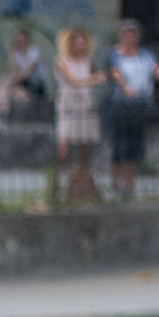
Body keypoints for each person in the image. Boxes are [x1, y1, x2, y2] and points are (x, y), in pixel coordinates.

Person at [105, 19, 159, 201]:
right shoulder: (115, 55)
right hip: (120, 106)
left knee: (135, 145)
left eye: (133, 34)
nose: (130, 37)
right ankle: (116, 183)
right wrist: (126, 88)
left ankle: (129, 184)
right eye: (127, 34)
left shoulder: (146, 56)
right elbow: (115, 73)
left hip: (140, 106)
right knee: (120, 145)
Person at [49, 25, 104, 206]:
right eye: (76, 39)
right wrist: (94, 79)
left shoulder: (89, 61)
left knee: (85, 144)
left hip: (85, 103)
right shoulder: (61, 60)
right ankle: (59, 181)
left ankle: (81, 180)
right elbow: (73, 80)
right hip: (69, 104)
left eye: (83, 39)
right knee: (64, 145)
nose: (80, 43)